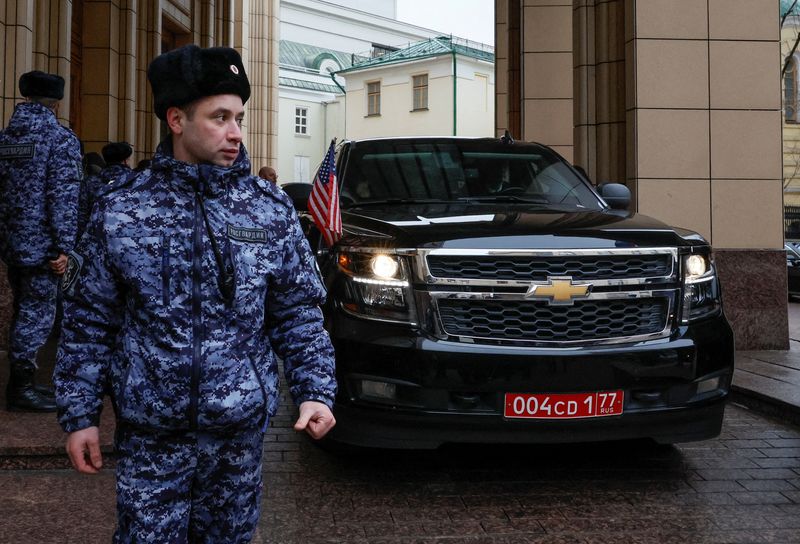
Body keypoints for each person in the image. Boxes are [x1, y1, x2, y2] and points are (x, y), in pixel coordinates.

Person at [54, 45, 337, 542]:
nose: (235, 133)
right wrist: (80, 415)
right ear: (177, 119)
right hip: (152, 438)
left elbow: (296, 313)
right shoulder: (122, 210)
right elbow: (89, 320)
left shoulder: (267, 211)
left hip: (238, 440)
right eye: (219, 117)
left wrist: (314, 391)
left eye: (240, 118)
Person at [0, 70, 82, 412]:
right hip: (43, 246)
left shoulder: (6, 138)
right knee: (36, 315)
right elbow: (62, 197)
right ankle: (20, 388)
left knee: (23, 310)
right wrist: (64, 247)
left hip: (10, 243)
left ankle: (27, 381)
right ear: (57, 103)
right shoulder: (59, 139)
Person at [78, 141, 133, 234]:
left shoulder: (90, 182)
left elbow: (82, 214)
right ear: (125, 161)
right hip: (128, 238)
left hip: (96, 237)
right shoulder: (136, 180)